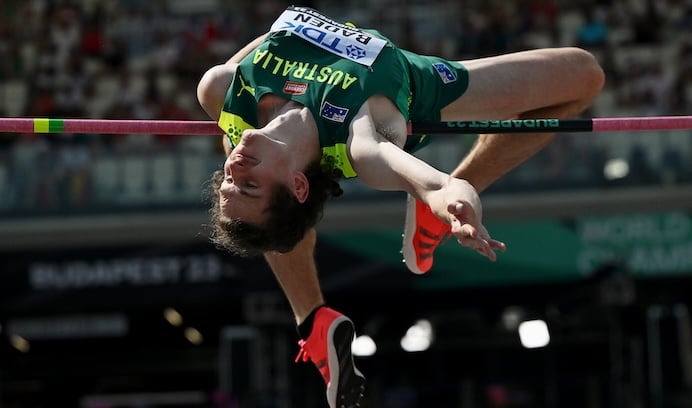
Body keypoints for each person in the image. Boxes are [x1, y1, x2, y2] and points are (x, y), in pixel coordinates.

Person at [196, 6, 605, 408]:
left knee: (269, 221)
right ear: (299, 183)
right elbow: (435, 183)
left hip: (312, 120)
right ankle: (432, 218)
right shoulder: (360, 143)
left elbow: (272, 39)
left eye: (228, 182)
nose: (233, 166)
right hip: (422, 84)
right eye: (249, 185)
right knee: (585, 75)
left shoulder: (222, 92)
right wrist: (454, 204)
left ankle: (311, 319)